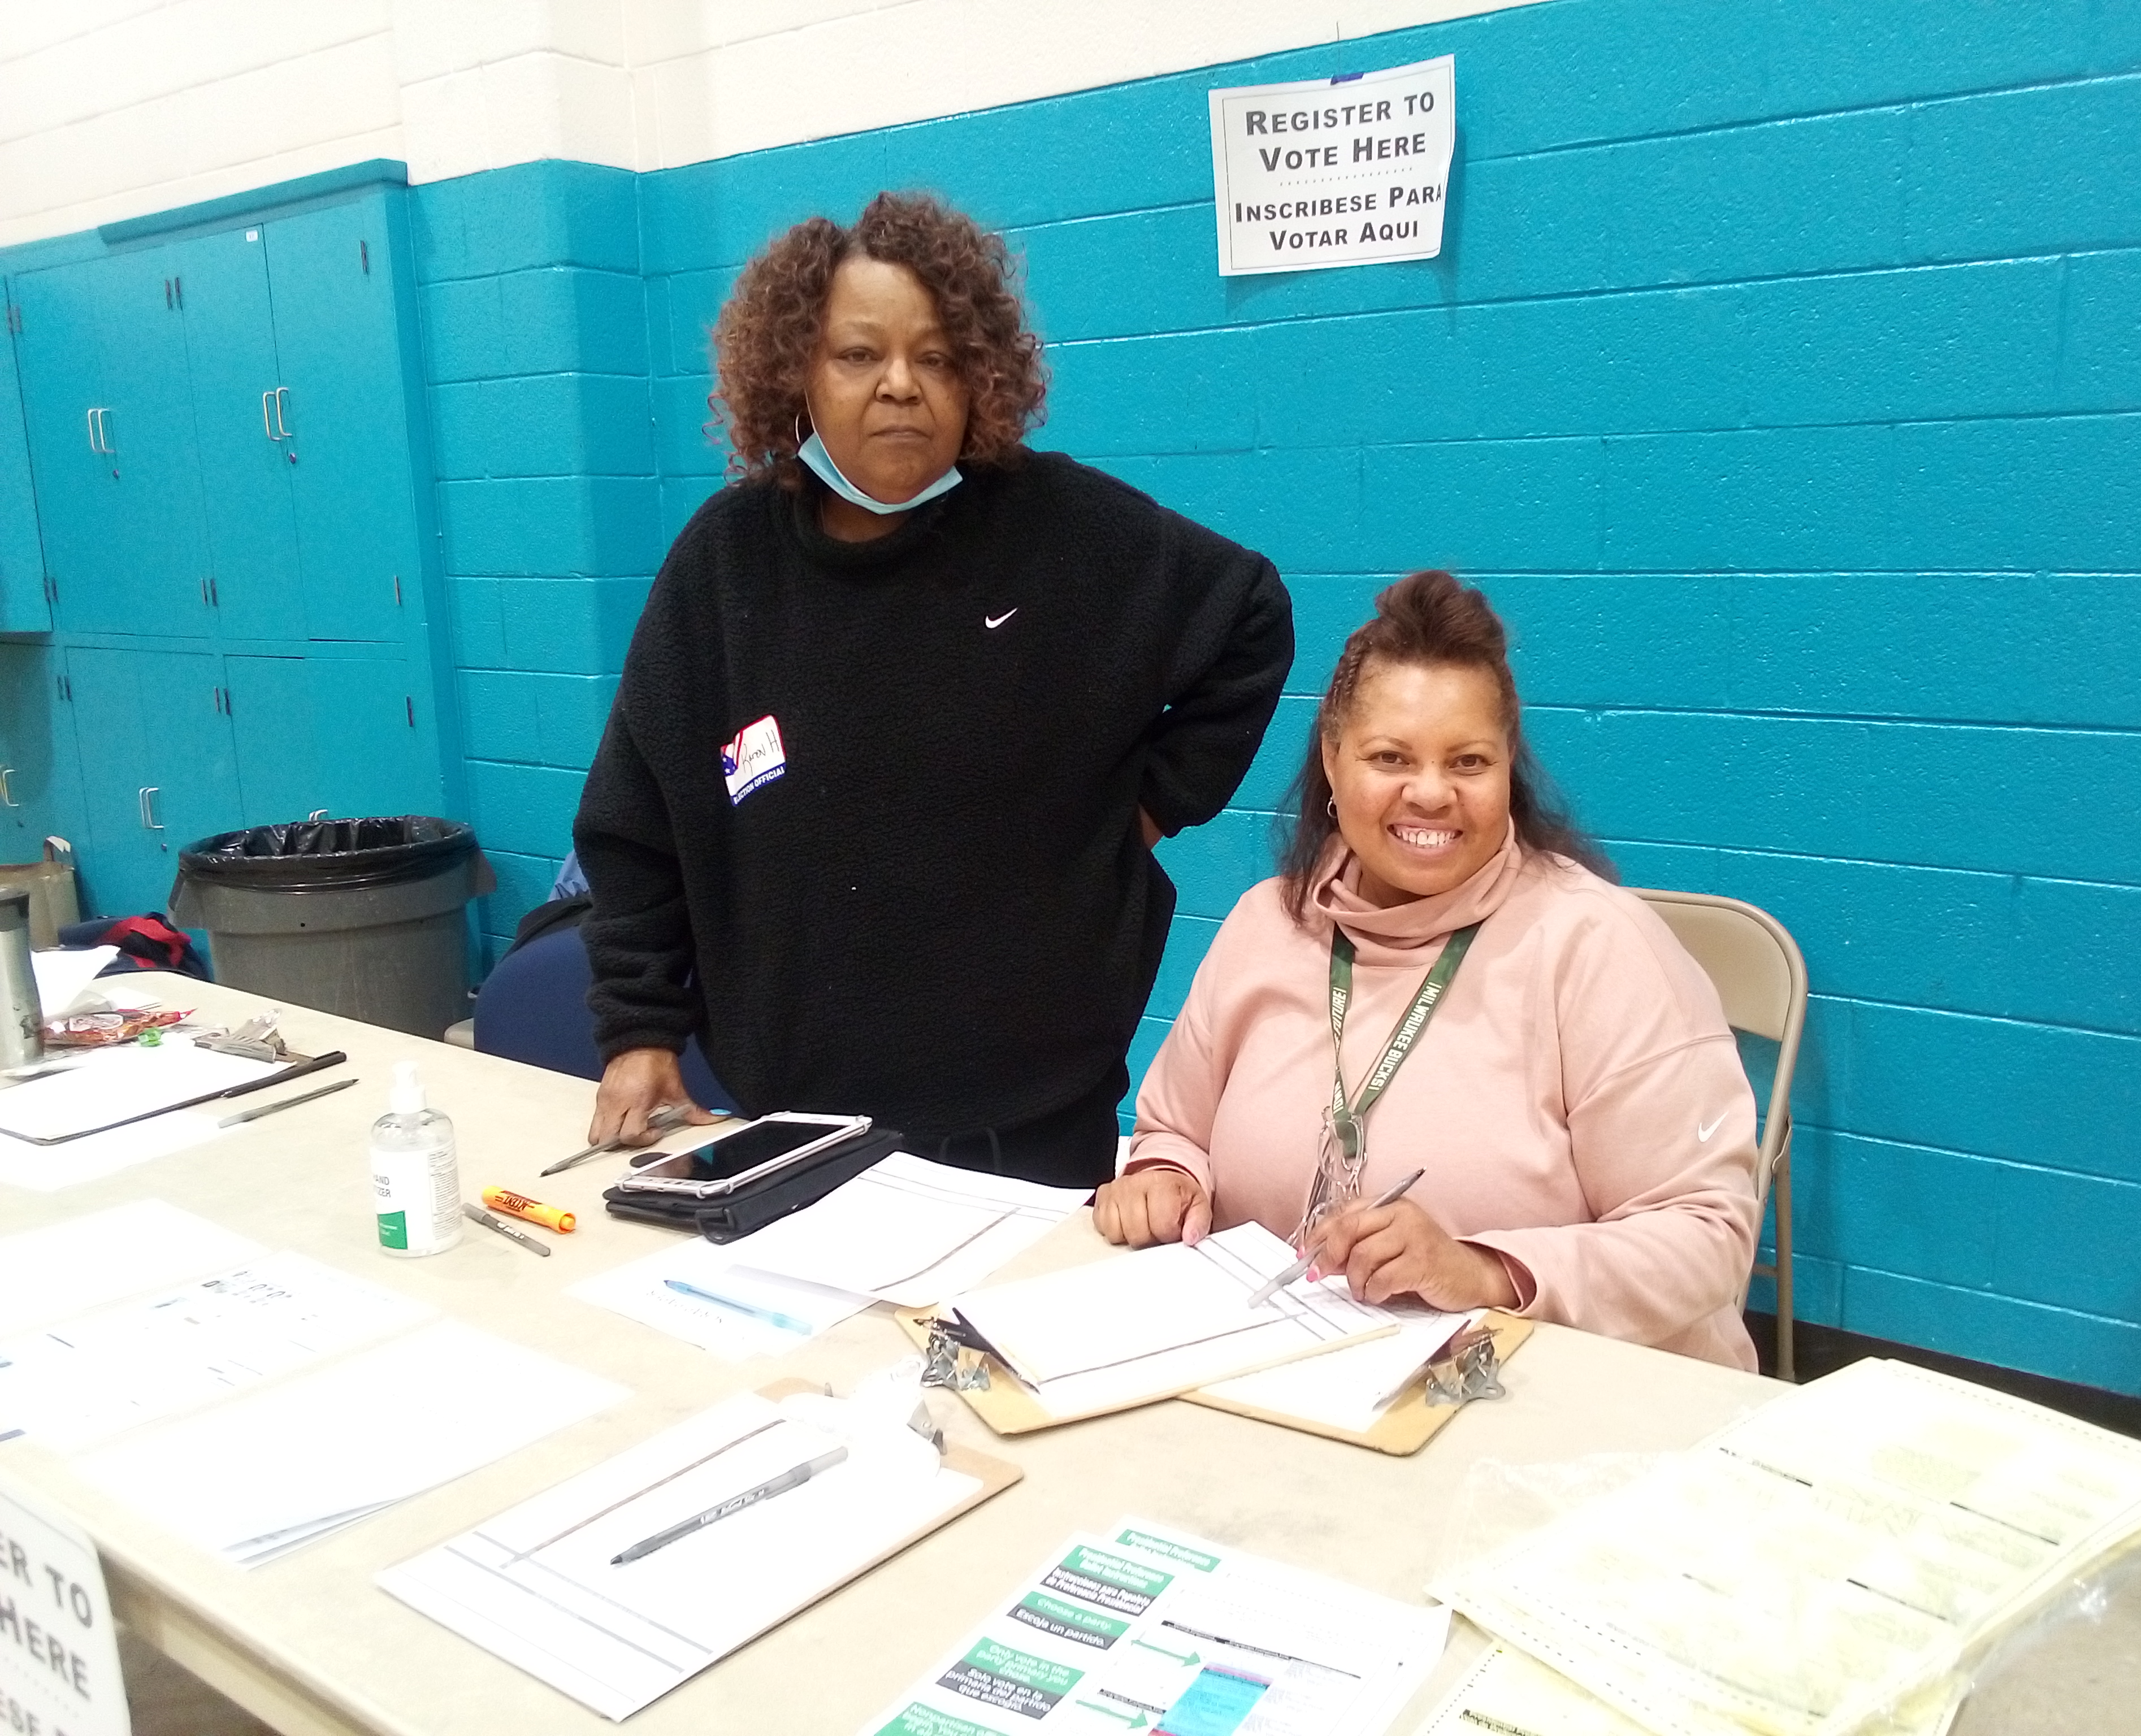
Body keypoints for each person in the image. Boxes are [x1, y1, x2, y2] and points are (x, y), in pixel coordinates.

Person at [574, 193, 1293, 1189]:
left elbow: (1251, 618)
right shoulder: (722, 567)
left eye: (938, 357)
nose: (901, 385)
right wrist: (640, 1029)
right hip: (799, 1128)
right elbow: (635, 826)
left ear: (980, 376)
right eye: (858, 354)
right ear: (796, 374)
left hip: (1031, 1129)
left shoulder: (1060, 528)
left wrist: (1149, 809)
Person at [1094, 571, 1761, 1368]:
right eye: (1391, 757)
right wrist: (1164, 1176)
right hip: (1300, 1372)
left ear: (1507, 767)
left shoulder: (1600, 946)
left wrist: (1482, 1270)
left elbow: (1706, 1235)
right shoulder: (1266, 923)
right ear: (1333, 762)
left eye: (1469, 762)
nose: (1432, 794)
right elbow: (1175, 1131)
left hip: (1554, 1390)